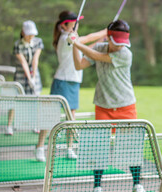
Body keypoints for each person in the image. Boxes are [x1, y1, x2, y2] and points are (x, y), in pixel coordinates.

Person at [70, 19, 144, 192]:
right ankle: (97, 185)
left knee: (130, 146)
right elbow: (78, 65)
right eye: (117, 42)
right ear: (109, 38)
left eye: (122, 43)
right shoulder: (98, 47)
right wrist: (74, 45)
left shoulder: (126, 54)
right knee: (99, 147)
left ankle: (137, 183)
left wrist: (77, 42)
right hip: (103, 105)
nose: (119, 46)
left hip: (125, 105)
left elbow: (97, 58)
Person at [34, 10, 107, 162]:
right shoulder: (66, 37)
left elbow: (84, 47)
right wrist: (104, 32)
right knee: (50, 116)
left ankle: (69, 148)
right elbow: (85, 39)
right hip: (62, 81)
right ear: (65, 25)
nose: (76, 24)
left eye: (77, 22)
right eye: (74, 22)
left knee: (71, 117)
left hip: (73, 81)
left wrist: (100, 40)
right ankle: (40, 148)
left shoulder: (72, 38)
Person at [6, 20, 44, 135]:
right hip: (21, 75)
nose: (31, 36)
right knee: (15, 99)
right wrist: (28, 77)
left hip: (34, 74)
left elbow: (35, 60)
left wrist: (32, 77)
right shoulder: (18, 44)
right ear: (23, 32)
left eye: (32, 34)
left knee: (35, 99)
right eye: (29, 34)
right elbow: (23, 63)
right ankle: (9, 126)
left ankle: (35, 124)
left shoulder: (38, 42)